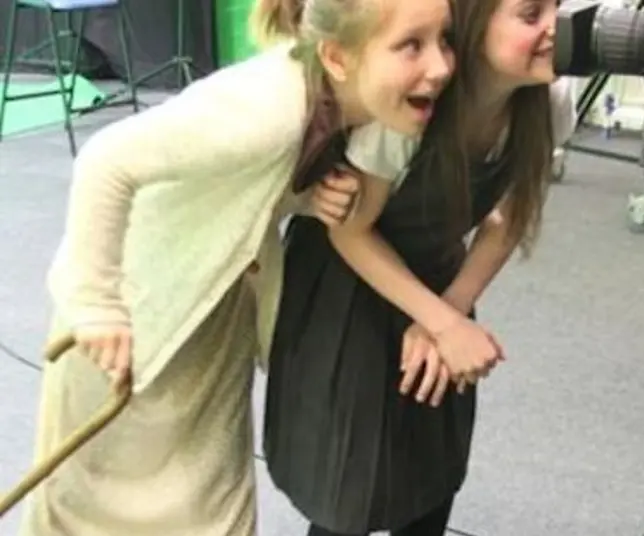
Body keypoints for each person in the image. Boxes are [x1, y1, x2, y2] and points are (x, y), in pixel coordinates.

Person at [17, 0, 455, 534]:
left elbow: (235, 185)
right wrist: (95, 303)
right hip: (130, 323)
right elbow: (106, 160)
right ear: (338, 57)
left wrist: (305, 196)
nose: (441, 66)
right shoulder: (267, 106)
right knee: (89, 513)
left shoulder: (354, 105)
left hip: (212, 321)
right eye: (411, 45)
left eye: (444, 40)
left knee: (212, 512)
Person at [263, 0, 577, 533]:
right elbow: (350, 231)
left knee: (430, 461)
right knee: (349, 479)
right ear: (476, 26)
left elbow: (509, 215)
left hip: (436, 279)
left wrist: (449, 312)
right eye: (530, 16)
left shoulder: (550, 102)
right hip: (349, 289)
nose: (556, 29)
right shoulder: (413, 104)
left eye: (558, 8)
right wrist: (444, 322)